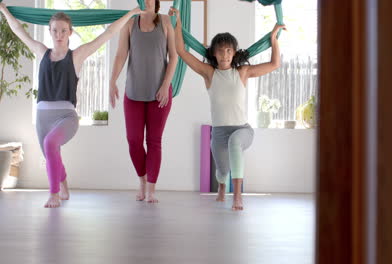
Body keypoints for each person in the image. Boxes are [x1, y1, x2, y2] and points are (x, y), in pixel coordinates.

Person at [0, 2, 142, 208]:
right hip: (42, 117)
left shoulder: (77, 55)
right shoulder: (41, 52)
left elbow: (108, 33)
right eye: (55, 30)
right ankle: (64, 186)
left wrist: (132, 13)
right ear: (49, 32)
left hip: (66, 117)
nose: (59, 35)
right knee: (52, 155)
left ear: (70, 32)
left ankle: (54, 194)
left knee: (50, 145)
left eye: (63, 31)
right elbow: (18, 31)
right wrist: (3, 10)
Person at [169, 7, 285, 211]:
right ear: (214, 53)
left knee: (235, 143)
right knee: (222, 170)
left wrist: (274, 38)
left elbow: (275, 64)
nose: (225, 54)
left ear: (234, 52)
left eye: (229, 50)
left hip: (242, 130)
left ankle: (238, 196)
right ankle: (222, 187)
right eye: (221, 50)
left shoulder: (243, 72)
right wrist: (177, 21)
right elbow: (181, 51)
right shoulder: (209, 73)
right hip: (219, 132)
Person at [109, 0, 177, 203]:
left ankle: (151, 190)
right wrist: (112, 81)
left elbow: (173, 57)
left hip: (160, 95)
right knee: (134, 141)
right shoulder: (130, 24)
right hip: (133, 93)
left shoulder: (165, 22)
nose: (147, 1)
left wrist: (165, 85)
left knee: (154, 142)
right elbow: (121, 55)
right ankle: (142, 179)